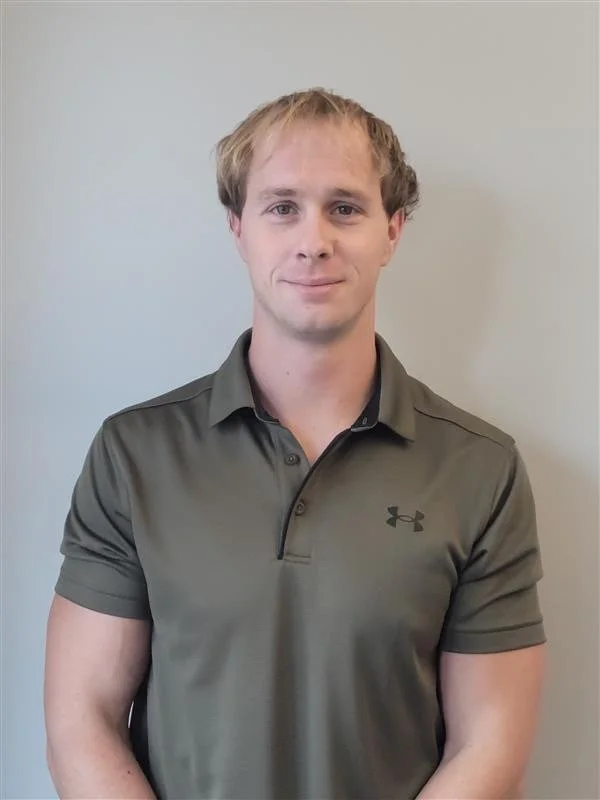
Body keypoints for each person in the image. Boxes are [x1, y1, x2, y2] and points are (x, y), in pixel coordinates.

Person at [44, 88, 546, 800]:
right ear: (238, 230)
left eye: (345, 207)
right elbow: (80, 718)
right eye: (282, 206)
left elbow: (490, 744)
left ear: (393, 232)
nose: (314, 239)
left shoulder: (480, 469)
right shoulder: (134, 454)